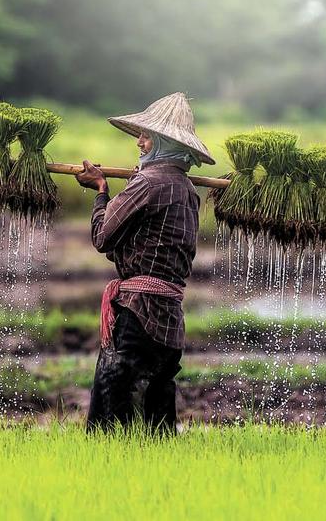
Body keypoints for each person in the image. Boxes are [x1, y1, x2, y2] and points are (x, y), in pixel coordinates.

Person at [75, 92, 216, 435]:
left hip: (138, 314)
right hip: (168, 317)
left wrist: (100, 190)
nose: (139, 141)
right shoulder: (185, 189)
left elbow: (103, 239)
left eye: (146, 136)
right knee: (155, 414)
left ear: (163, 143)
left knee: (113, 412)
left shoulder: (149, 184)